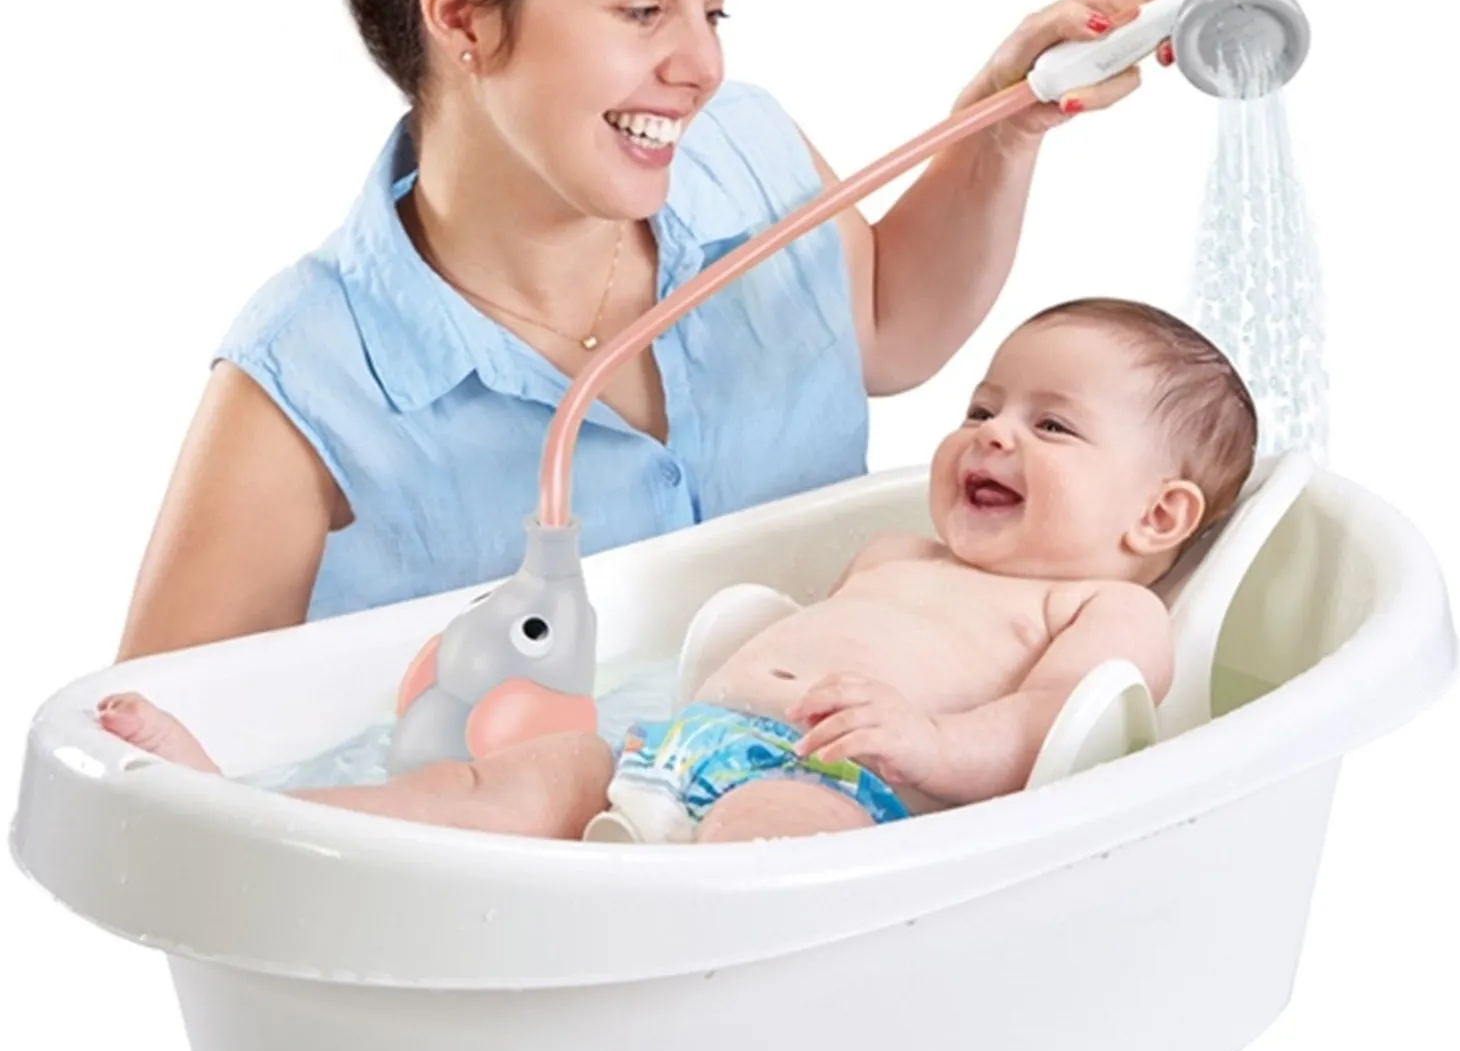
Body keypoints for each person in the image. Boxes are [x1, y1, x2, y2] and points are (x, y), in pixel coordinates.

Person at [115, 0, 1200, 663]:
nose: (701, 64)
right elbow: (151, 767)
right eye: (643, 8)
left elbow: (887, 329)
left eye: (712, 7)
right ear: (462, 16)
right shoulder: (305, 382)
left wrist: (999, 128)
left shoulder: (743, 150)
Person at [99, 297, 1259, 844]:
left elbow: (1049, 730)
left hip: (834, 793)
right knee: (512, 780)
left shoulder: (1102, 605)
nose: (992, 433)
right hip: (670, 754)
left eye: (1050, 426)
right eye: (981, 406)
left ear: (1156, 512)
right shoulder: (897, 548)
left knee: (761, 840)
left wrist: (927, 740)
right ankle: (258, 821)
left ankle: (625, 977)